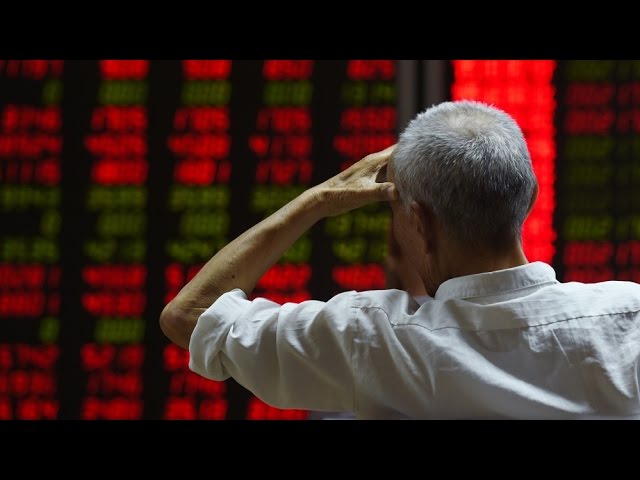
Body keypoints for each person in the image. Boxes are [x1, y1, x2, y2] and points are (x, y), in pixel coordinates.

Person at [160, 100, 640, 419]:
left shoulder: (371, 338)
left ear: (419, 222)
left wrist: (318, 199)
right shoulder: (629, 315)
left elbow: (189, 314)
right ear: (530, 197)